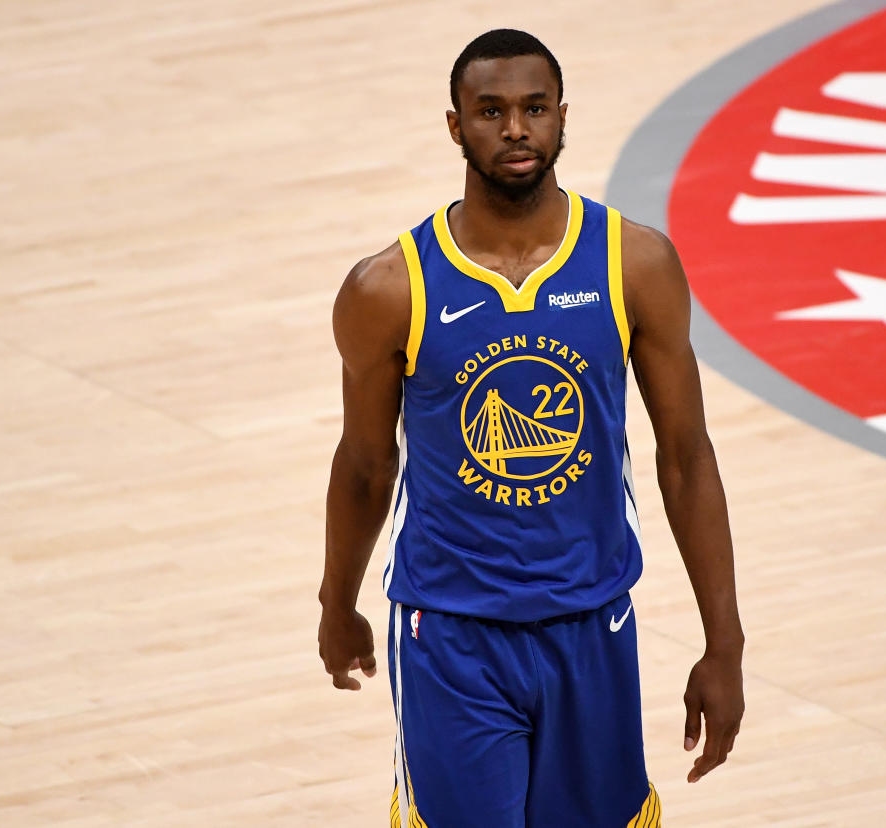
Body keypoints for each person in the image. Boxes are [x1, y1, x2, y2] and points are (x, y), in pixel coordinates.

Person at [318, 28, 744, 828]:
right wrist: (336, 602)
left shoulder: (635, 263)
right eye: (490, 111)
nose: (515, 129)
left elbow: (686, 459)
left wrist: (726, 644)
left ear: (561, 119)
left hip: (594, 621)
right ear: (455, 126)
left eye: (534, 109)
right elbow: (365, 467)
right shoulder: (388, 288)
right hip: (450, 631)